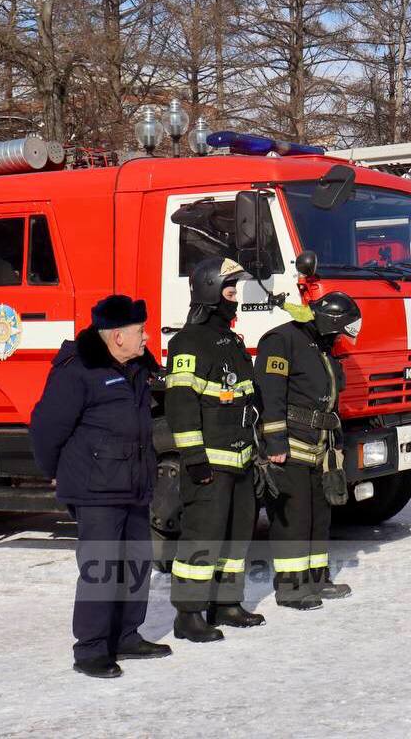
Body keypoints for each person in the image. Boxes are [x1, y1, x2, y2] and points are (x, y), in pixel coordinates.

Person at [30, 295, 171, 679]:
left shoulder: (137, 366)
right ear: (117, 336)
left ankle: (126, 635)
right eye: (139, 331)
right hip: (95, 489)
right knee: (101, 568)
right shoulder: (78, 371)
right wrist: (52, 470)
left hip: (134, 483)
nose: (146, 337)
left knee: (137, 564)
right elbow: (46, 428)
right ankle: (91, 649)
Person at [166, 257, 264, 642]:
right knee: (202, 536)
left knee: (237, 535)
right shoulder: (188, 342)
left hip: (240, 458)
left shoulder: (231, 341)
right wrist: (193, 458)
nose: (234, 298)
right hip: (209, 463)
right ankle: (188, 614)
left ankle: (226, 603)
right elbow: (181, 405)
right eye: (229, 290)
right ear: (209, 290)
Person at [256, 292, 361, 609]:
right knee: (293, 517)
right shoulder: (281, 340)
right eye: (340, 328)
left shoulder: (319, 344)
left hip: (320, 446)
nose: (342, 336)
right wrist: (274, 443)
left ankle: (317, 579)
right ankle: (290, 587)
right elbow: (269, 393)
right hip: (291, 445)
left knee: (318, 514)